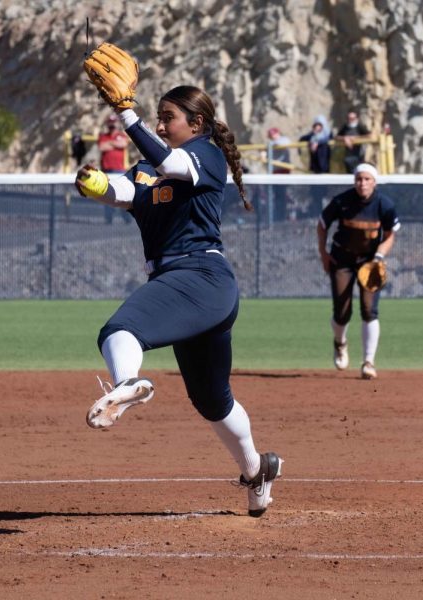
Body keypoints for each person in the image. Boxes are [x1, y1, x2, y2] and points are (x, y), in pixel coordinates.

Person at [75, 85, 283, 517]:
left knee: (119, 330)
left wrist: (125, 113)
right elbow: (126, 192)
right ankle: (257, 470)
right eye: (158, 116)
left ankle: (128, 383)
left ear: (197, 124)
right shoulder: (149, 170)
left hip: (200, 276)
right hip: (195, 290)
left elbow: (170, 162)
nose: (160, 124)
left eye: (168, 117)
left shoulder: (205, 155)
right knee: (211, 399)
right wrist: (94, 184)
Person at [317, 162, 399, 379]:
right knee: (342, 312)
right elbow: (322, 225)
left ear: (374, 182)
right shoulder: (342, 201)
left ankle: (368, 362)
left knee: (369, 309)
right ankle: (340, 342)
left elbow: (390, 234)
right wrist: (323, 254)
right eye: (359, 179)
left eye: (367, 179)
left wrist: (379, 256)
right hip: (342, 258)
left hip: (369, 261)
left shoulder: (384, 204)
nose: (362, 183)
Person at [98, 113, 132, 224]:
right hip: (106, 171)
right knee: (107, 195)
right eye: (110, 123)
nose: (112, 125)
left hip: (119, 171)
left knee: (123, 195)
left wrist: (110, 143)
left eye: (114, 123)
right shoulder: (103, 136)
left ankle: (127, 219)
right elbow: (102, 146)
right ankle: (108, 220)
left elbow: (123, 144)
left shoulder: (121, 135)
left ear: (117, 123)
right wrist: (114, 143)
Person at [336, 109, 371, 174]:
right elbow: (337, 136)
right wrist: (345, 138)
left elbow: (369, 135)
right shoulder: (345, 126)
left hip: (359, 152)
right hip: (348, 152)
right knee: (348, 164)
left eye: (353, 118)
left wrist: (356, 138)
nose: (351, 120)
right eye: (349, 118)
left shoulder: (359, 126)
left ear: (356, 118)